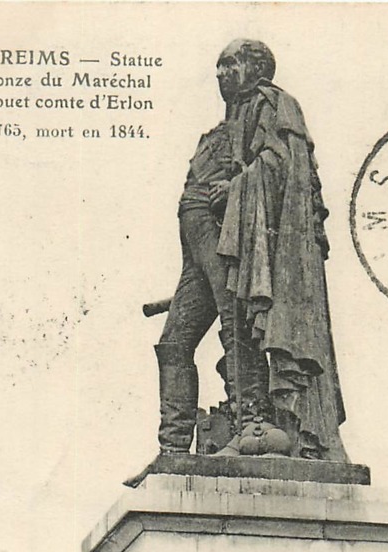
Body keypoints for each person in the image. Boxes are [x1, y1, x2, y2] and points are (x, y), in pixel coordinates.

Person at [155, 39, 347, 460]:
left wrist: (236, 189)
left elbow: (280, 167)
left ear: (256, 68)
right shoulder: (222, 129)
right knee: (173, 343)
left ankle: (252, 427)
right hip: (199, 251)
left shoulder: (271, 105)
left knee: (237, 329)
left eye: (229, 64)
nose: (221, 74)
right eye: (218, 67)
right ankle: (172, 450)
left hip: (234, 244)